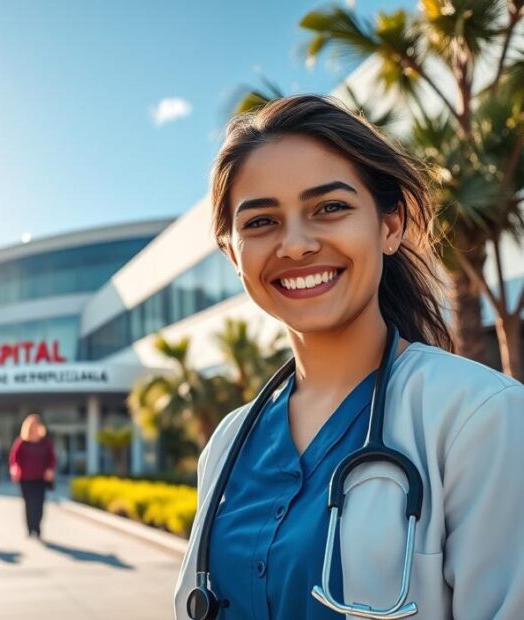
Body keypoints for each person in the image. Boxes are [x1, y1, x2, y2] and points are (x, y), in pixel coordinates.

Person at [174, 95, 524, 619]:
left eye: (330, 208)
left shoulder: (480, 417)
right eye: (260, 222)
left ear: (389, 227)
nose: (294, 245)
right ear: (233, 254)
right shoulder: (228, 443)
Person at [9, 413, 55, 539]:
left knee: (39, 504)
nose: (34, 428)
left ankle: (37, 527)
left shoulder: (46, 442)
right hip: (25, 478)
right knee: (29, 504)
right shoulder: (22, 442)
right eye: (32, 425)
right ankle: (30, 529)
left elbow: (52, 458)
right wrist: (14, 469)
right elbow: (14, 459)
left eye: (37, 425)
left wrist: (50, 469)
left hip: (41, 478)